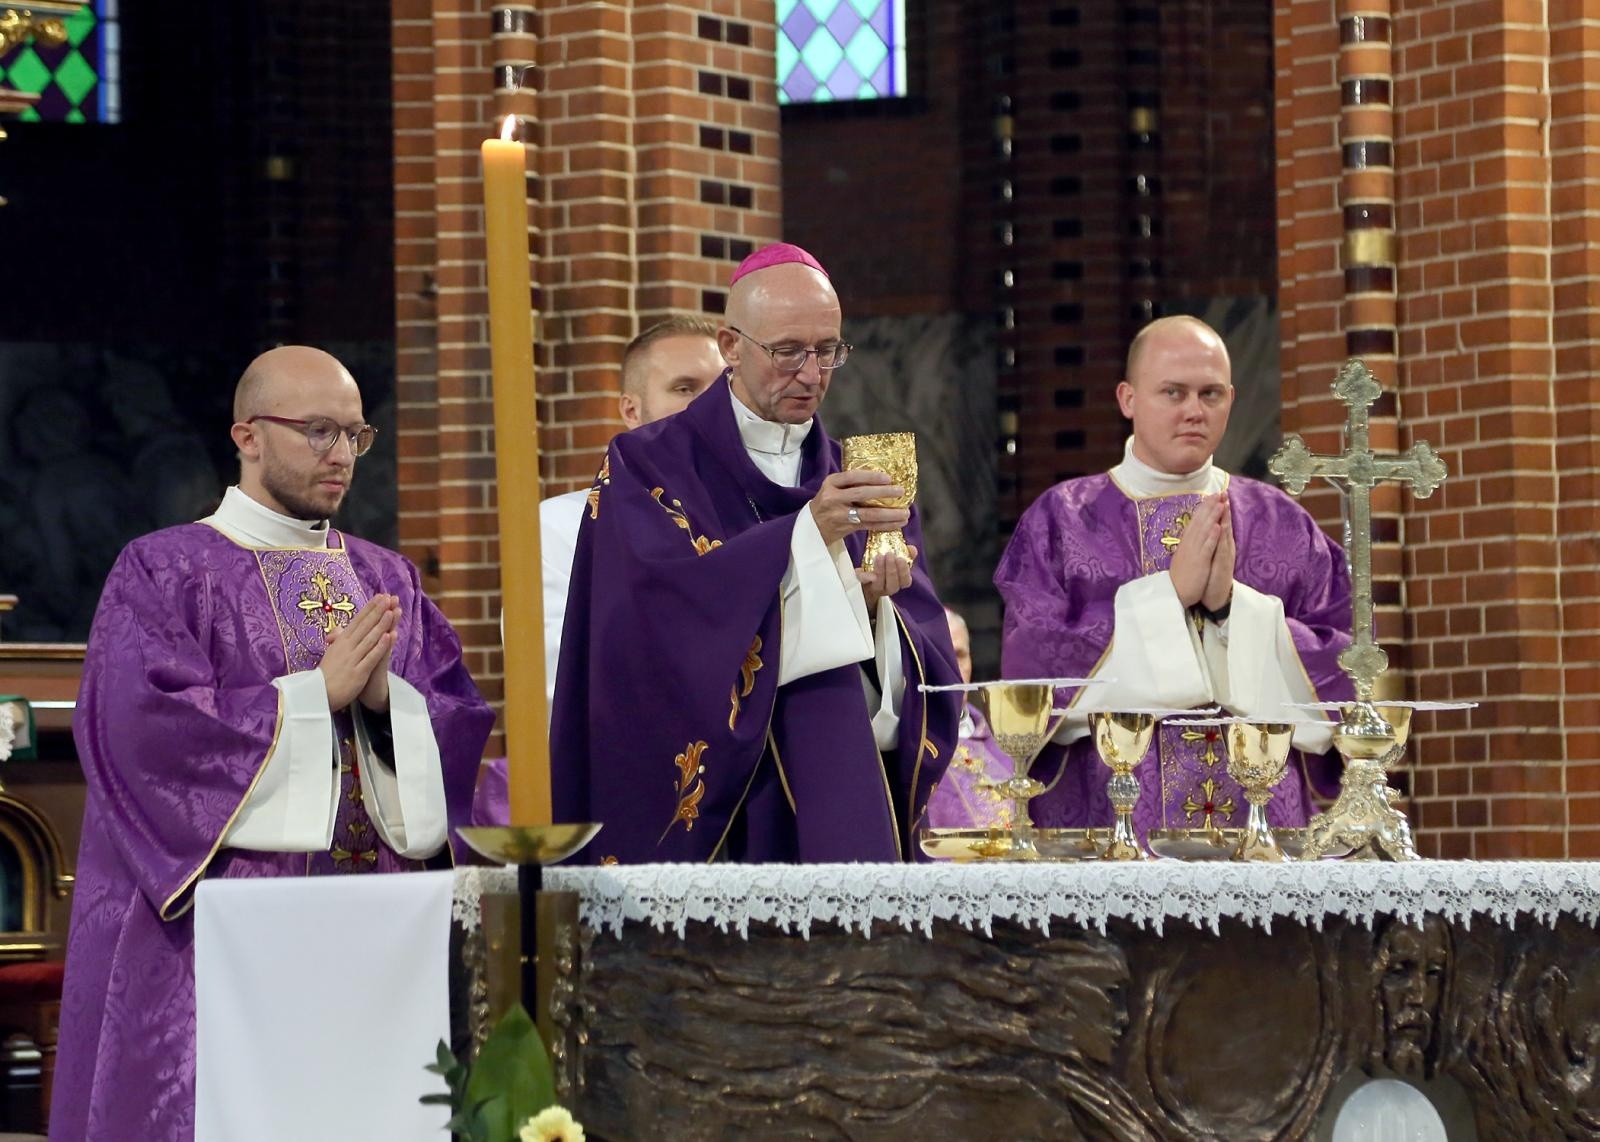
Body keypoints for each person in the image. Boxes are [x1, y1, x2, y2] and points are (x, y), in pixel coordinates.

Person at [52, 346, 496, 1140]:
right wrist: (311, 699)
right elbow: (143, 735)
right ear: (247, 436)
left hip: (380, 935)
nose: (339, 456)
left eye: (356, 437)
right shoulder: (165, 570)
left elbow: (457, 725)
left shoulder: (388, 578)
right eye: (317, 431)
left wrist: (384, 704)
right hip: (224, 942)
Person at [551, 243, 962, 863]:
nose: (812, 373)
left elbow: (927, 649)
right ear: (731, 345)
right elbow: (642, 631)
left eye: (828, 351)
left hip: (838, 772)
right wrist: (807, 537)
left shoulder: (855, 472)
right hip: (722, 809)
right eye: (789, 351)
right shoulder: (647, 465)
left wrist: (874, 605)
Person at [995, 315, 1353, 839]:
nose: (1193, 410)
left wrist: (1232, 606)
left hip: (1261, 834)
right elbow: (1032, 678)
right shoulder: (1064, 520)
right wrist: (1170, 597)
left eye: (1210, 393)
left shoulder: (1281, 523)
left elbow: (1340, 665)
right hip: (1110, 829)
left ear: (1231, 398)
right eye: (1173, 392)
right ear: (1128, 399)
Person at [539, 316, 724, 700]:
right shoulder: (559, 528)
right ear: (631, 411)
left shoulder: (763, 514)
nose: (710, 405)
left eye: (724, 389)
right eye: (685, 387)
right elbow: (564, 680)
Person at [925, 607, 1015, 829]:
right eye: (942, 656)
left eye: (959, 655)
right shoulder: (910, 749)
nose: (953, 670)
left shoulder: (1004, 743)